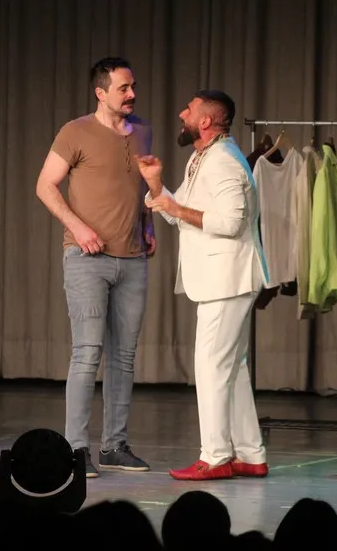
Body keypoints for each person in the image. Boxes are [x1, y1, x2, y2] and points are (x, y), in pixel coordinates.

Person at [136, 89, 270, 480]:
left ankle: (215, 456)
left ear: (206, 121)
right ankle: (250, 453)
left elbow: (230, 223)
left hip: (227, 279)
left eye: (190, 110)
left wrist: (175, 207)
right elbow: (180, 215)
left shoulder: (223, 161)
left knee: (211, 367)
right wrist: (157, 186)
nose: (182, 114)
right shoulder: (204, 156)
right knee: (232, 368)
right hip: (222, 279)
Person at [35, 57, 154, 478]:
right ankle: (76, 449)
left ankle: (114, 446)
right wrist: (78, 227)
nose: (132, 94)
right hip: (87, 259)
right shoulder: (76, 131)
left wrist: (149, 225)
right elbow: (45, 185)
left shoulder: (143, 131)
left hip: (132, 259)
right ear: (101, 93)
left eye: (133, 86)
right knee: (87, 353)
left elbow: (141, 186)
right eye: (123, 88)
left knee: (124, 357)